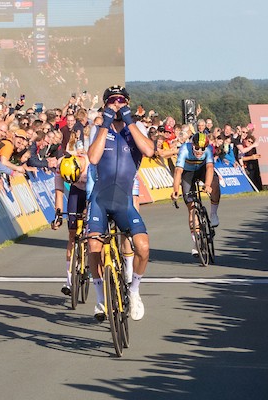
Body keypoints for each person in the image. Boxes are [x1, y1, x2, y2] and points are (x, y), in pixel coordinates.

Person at [87, 85, 154, 321]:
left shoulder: (135, 129)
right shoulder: (98, 129)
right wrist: (104, 125)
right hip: (100, 199)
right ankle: (100, 299)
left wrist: (130, 122)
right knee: (94, 247)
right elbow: (93, 157)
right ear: (106, 104)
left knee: (143, 248)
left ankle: (134, 292)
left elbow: (148, 150)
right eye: (113, 100)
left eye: (122, 100)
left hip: (124, 200)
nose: (117, 104)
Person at [171, 133, 220, 257]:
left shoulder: (208, 150)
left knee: (214, 183)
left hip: (203, 170)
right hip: (188, 173)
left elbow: (209, 168)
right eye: (197, 148)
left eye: (202, 149)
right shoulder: (184, 149)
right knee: (191, 207)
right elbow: (178, 171)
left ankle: (213, 213)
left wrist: (207, 185)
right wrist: (175, 190)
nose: (199, 151)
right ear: (192, 145)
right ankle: (196, 242)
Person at [51, 154, 90, 296]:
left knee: (94, 232)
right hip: (76, 192)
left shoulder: (91, 164)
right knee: (72, 234)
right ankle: (69, 280)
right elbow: (59, 192)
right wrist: (58, 216)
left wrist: (88, 210)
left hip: (93, 191)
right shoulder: (61, 165)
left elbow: (96, 194)